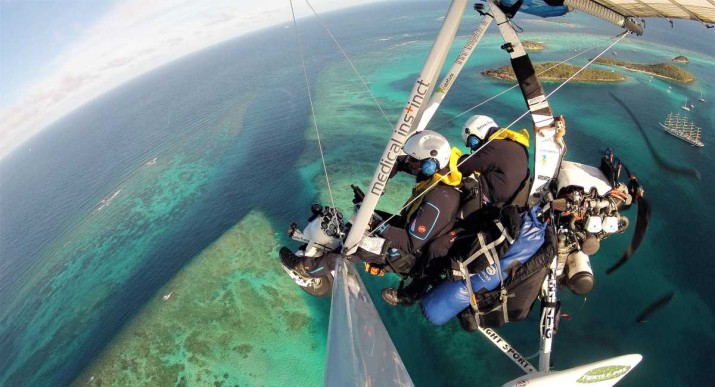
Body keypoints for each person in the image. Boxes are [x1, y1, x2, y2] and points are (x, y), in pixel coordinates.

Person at [381, 115, 531, 306]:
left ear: (476, 133)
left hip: (484, 219)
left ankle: (412, 293)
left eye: (472, 142)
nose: (473, 147)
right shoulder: (515, 145)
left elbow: (462, 165)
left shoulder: (494, 148)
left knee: (439, 245)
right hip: (491, 211)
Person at [280, 130, 463, 283]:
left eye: (414, 160)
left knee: (355, 245)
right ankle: (334, 248)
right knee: (363, 214)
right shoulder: (435, 176)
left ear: (431, 163)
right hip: (406, 229)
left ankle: (309, 269)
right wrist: (374, 193)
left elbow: (410, 243)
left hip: (409, 257)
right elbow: (400, 164)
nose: (410, 163)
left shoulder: (440, 199)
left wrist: (377, 226)